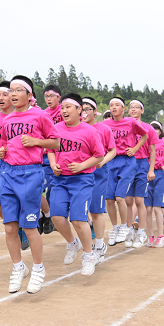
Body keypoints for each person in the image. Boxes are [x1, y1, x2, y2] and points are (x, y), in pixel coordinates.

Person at [0, 75, 60, 294]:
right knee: (9, 226)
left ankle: (39, 268)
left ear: (29, 95)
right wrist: (3, 151)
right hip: (8, 173)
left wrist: (36, 142)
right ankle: (17, 267)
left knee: (29, 226)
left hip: (30, 173)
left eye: (17, 90)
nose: (12, 94)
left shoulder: (40, 116)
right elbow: (7, 144)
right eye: (10, 90)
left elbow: (56, 142)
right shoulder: (6, 119)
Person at [48, 93, 104, 275]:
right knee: (56, 217)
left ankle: (89, 255)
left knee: (79, 220)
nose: (64, 110)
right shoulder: (55, 128)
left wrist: (81, 165)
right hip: (60, 179)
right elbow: (50, 149)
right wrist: (52, 164)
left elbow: (99, 156)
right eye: (62, 107)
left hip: (81, 180)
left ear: (79, 110)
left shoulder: (89, 131)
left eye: (68, 107)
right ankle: (73, 243)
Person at [0, 80, 30, 250]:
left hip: (17, 165)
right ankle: (19, 225)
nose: (2, 98)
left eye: (5, 94)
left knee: (21, 200)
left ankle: (26, 227)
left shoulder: (20, 116)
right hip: (1, 166)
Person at [103, 96, 148, 246]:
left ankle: (124, 227)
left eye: (117, 105)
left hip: (127, 161)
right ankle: (115, 228)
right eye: (111, 105)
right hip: (111, 161)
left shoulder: (131, 122)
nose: (114, 107)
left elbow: (145, 135)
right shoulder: (105, 124)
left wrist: (135, 148)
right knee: (109, 198)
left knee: (120, 197)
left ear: (123, 109)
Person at [81, 96, 116, 263]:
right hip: (79, 174)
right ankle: (87, 243)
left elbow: (112, 150)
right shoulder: (74, 128)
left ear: (95, 112)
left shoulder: (103, 129)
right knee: (79, 212)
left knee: (96, 210)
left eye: (88, 109)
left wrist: (102, 161)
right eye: (81, 109)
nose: (84, 112)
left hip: (98, 174)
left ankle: (100, 245)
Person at [124, 99, 157, 248]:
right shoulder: (125, 126)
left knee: (139, 201)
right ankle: (129, 229)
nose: (133, 109)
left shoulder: (148, 128)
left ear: (142, 111)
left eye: (137, 107)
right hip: (127, 164)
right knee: (128, 200)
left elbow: (153, 150)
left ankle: (141, 231)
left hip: (142, 164)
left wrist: (151, 169)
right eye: (131, 107)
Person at [40, 84, 63, 234]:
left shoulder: (64, 111)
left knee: (51, 191)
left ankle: (50, 217)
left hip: (58, 156)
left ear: (58, 97)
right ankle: (45, 216)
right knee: (37, 189)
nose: (48, 99)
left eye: (51, 96)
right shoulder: (43, 114)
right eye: (46, 96)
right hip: (43, 157)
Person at [145, 121, 164, 247]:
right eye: (152, 129)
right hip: (148, 175)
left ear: (160, 131)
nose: (154, 131)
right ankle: (150, 236)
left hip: (160, 175)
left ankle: (160, 235)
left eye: (156, 129)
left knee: (157, 208)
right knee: (148, 209)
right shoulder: (145, 144)